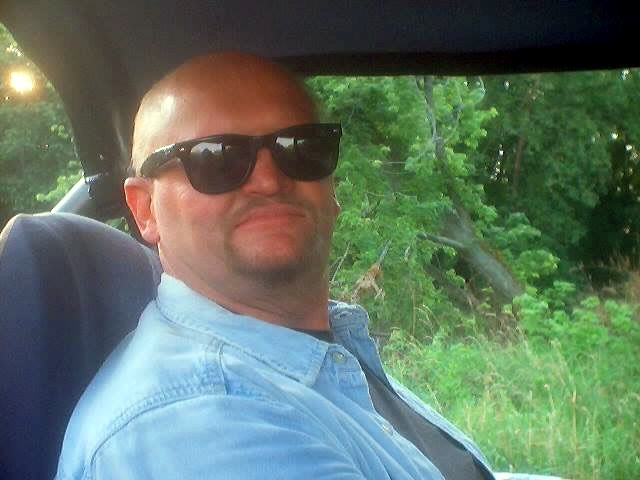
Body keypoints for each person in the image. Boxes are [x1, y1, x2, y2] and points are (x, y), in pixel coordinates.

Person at [56, 51, 494, 479]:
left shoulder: (315, 355)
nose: (269, 181)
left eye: (300, 149)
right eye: (217, 157)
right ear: (145, 209)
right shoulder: (197, 421)